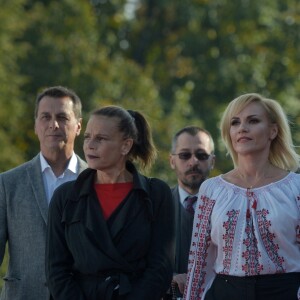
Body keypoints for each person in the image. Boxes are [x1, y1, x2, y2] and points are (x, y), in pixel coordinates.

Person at [45, 105, 175, 300]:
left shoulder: (156, 194)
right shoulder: (65, 197)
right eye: (88, 137)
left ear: (126, 145)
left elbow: (160, 268)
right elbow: (56, 269)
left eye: (101, 138)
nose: (90, 145)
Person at [184, 93, 300, 300]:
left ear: (273, 131)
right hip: (225, 292)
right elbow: (199, 260)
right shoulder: (211, 189)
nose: (242, 128)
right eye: (235, 123)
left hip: (284, 292)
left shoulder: (295, 188)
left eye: (253, 121)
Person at [0, 86, 87, 300]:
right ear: (36, 125)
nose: (53, 124)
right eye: (45, 117)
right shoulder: (7, 183)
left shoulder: (96, 180)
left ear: (78, 125)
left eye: (62, 117)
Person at [163, 126, 215, 300]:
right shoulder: (155, 206)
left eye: (201, 155)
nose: (193, 162)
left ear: (212, 161)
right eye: (185, 155)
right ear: (172, 161)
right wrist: (169, 278)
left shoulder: (228, 207)